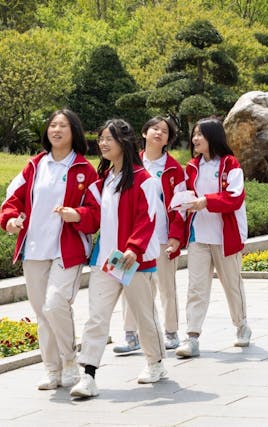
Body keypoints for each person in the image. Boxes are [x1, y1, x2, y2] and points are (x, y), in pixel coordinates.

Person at [0, 109, 98, 391]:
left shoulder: (84, 170)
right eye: (53, 125)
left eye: (63, 126)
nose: (56, 130)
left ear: (74, 132)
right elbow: (12, 199)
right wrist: (10, 220)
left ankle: (70, 361)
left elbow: (95, 211)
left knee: (56, 304)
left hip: (67, 249)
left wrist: (77, 214)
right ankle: (51, 369)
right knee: (42, 312)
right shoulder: (34, 165)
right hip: (34, 249)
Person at [70, 118, 167, 398]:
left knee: (143, 316)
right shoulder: (105, 178)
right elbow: (96, 214)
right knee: (97, 317)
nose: (102, 143)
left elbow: (147, 218)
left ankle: (156, 362)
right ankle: (88, 373)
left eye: (107, 139)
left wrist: (133, 248)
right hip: (106, 261)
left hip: (133, 262)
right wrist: (76, 216)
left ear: (122, 142)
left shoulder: (144, 180)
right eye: (100, 139)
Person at [175, 117, 251, 358]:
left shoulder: (230, 164)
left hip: (224, 235)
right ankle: (192, 336)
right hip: (199, 235)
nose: (195, 138)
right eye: (194, 134)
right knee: (196, 287)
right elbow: (185, 194)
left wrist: (206, 201)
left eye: (201, 134)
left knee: (231, 284)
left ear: (213, 137)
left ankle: (241, 325)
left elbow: (234, 197)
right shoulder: (191, 167)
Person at [112, 116, 186, 354]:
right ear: (144, 133)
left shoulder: (174, 169)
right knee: (129, 284)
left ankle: (171, 331)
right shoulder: (131, 164)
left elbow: (181, 206)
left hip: (163, 237)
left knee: (166, 286)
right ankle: (130, 334)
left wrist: (176, 236)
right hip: (133, 238)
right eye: (154, 128)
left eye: (164, 131)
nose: (159, 133)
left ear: (168, 139)